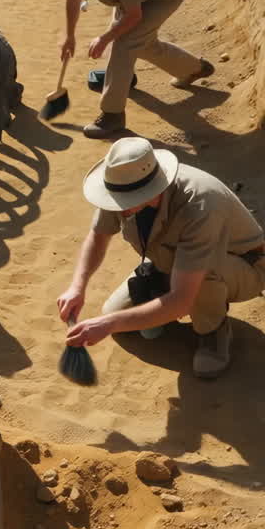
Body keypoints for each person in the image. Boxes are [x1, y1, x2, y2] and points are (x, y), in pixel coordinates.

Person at [57, 136, 265, 379]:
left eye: (127, 201)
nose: (120, 207)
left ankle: (213, 332)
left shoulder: (199, 205)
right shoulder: (123, 183)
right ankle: (161, 305)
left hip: (244, 266)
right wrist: (77, 286)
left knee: (200, 276)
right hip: (172, 260)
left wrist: (109, 324)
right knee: (114, 311)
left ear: (151, 189)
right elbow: (98, 236)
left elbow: (181, 299)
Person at [47, 0, 213, 139]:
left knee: (125, 43)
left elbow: (134, 16)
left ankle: (112, 115)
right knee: (142, 44)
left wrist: (104, 38)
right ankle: (194, 69)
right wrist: (69, 35)